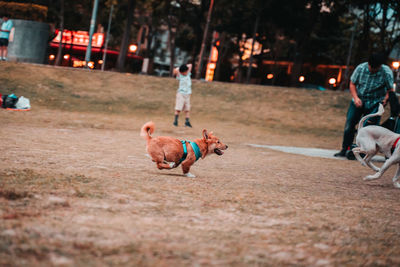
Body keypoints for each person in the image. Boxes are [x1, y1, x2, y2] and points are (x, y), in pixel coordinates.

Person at [334, 53, 394, 158]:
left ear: (380, 66)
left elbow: (390, 90)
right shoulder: (361, 68)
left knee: (368, 128)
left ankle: (362, 151)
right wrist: (356, 98)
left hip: (376, 103)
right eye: (372, 68)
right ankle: (345, 149)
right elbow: (352, 83)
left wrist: (385, 100)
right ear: (368, 64)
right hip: (359, 100)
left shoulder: (386, 72)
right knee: (350, 124)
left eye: (377, 68)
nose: (374, 70)